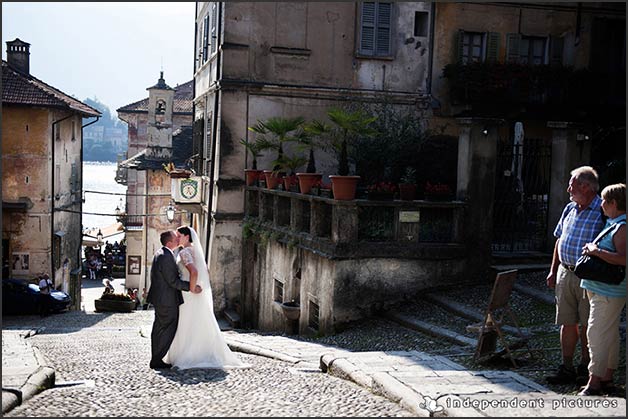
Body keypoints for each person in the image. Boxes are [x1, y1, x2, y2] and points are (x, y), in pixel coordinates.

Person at [545, 166, 605, 385]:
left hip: (588, 276)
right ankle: (566, 366)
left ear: (585, 187)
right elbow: (559, 239)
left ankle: (585, 366)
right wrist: (553, 270)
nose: (568, 188)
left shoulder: (602, 210)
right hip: (565, 273)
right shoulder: (570, 208)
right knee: (567, 322)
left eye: (572, 184)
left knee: (589, 323)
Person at [163, 226, 246, 369]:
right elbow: (205, 271)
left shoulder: (184, 252)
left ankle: (187, 354)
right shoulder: (196, 250)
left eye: (179, 236)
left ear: (186, 237)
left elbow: (194, 272)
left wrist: (192, 287)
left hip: (189, 293)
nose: (177, 238)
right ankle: (202, 352)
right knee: (198, 321)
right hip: (196, 292)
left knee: (187, 322)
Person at [577, 183, 626, 396]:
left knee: (595, 334)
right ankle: (606, 377)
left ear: (613, 203)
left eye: (605, 201)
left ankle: (594, 381)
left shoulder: (622, 227)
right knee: (609, 334)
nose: (602, 205)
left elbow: (624, 258)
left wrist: (596, 252)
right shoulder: (614, 223)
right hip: (602, 289)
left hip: (608, 292)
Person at [147, 230, 202, 370]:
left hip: (162, 299)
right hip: (166, 300)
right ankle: (157, 359)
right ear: (169, 242)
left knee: (159, 328)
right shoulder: (166, 256)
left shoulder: (162, 253)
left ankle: (156, 357)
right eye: (175, 238)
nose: (178, 240)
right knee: (168, 328)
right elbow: (172, 281)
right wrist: (191, 287)